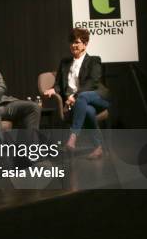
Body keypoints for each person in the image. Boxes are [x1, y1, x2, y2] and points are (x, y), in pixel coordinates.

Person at [43, 28, 110, 159]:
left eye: (77, 42)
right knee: (88, 111)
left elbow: (92, 83)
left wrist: (75, 96)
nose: (74, 45)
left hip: (97, 98)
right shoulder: (65, 63)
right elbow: (58, 84)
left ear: (85, 44)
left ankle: (73, 137)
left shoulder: (94, 60)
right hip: (79, 102)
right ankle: (98, 148)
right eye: (72, 42)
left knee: (83, 96)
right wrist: (53, 89)